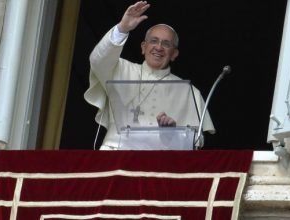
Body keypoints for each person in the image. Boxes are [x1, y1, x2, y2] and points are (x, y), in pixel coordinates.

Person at [84, 1, 215, 150]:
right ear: (143, 47)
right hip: (116, 152)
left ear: (174, 54)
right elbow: (97, 60)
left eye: (166, 44)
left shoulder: (189, 92)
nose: (158, 47)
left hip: (160, 162)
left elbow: (197, 143)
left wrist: (173, 134)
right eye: (154, 41)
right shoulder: (120, 69)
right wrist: (122, 28)